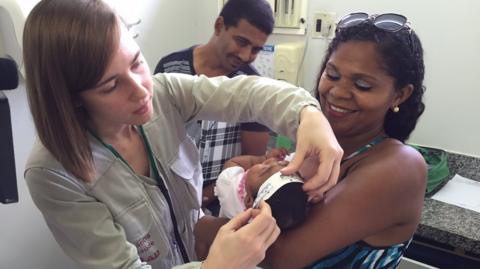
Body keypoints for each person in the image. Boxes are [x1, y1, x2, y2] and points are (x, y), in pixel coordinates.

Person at [22, 1, 342, 269]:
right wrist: (217, 265)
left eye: (136, 63)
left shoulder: (164, 92)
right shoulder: (52, 172)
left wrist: (308, 113)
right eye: (111, 85)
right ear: (72, 97)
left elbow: (247, 93)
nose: (141, 90)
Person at [261, 13, 428, 269]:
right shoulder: (320, 145)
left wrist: (199, 225)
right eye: (333, 75)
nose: (337, 92)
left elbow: (282, 257)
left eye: (362, 85)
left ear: (399, 95)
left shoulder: (400, 167)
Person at [154, 0, 275, 213]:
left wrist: (204, 196)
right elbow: (157, 138)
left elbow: (250, 167)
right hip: (169, 197)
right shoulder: (170, 69)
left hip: (221, 203)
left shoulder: (253, 89)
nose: (246, 56)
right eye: (241, 42)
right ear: (219, 26)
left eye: (256, 49)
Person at [215, 148, 308, 230]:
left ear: (248, 200)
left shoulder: (229, 185)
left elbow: (233, 163)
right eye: (284, 165)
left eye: (264, 169)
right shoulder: (281, 219)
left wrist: (263, 159)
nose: (271, 161)